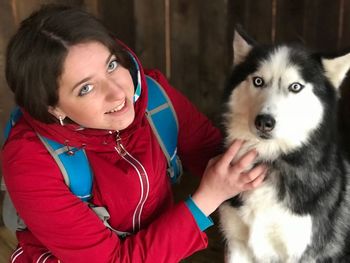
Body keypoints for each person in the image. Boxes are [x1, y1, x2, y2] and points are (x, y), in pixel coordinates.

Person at [1, 4, 267, 263]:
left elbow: (220, 158)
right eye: (86, 88)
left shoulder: (155, 100)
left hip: (162, 247)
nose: (118, 93)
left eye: (112, 65)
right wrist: (207, 198)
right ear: (54, 107)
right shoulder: (29, 162)